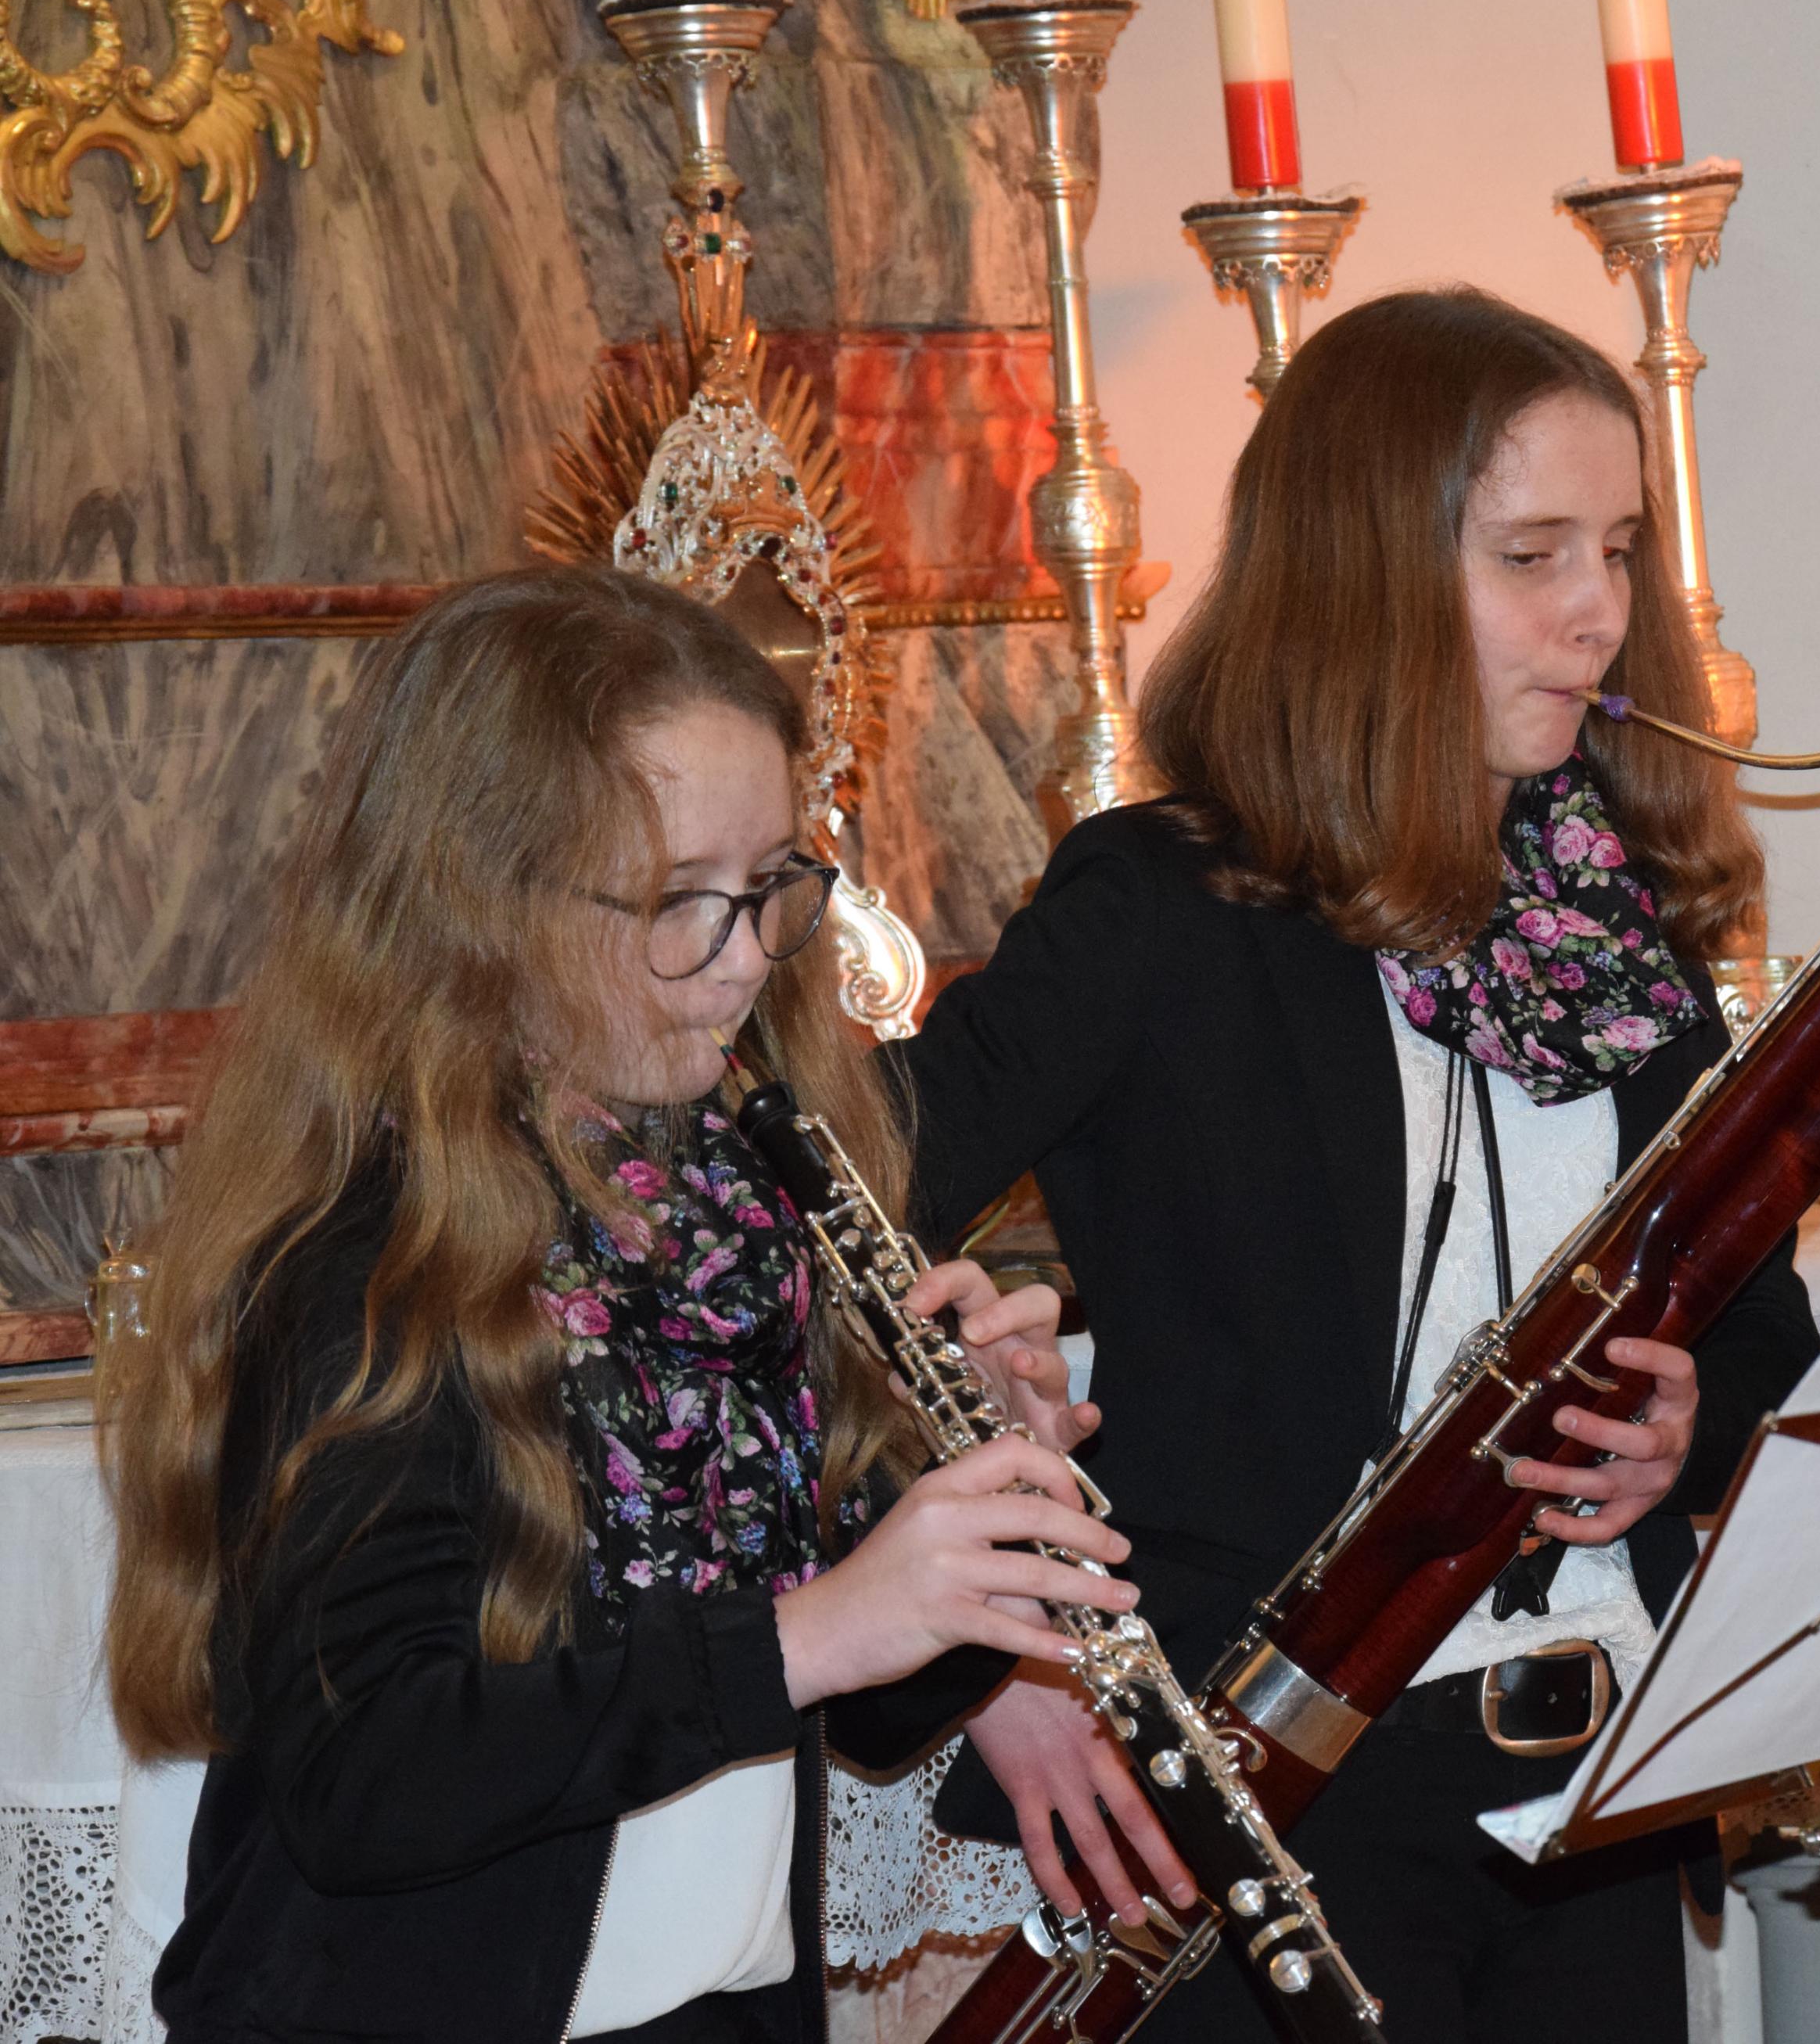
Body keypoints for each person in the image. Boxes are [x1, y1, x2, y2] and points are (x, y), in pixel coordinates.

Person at [889, 286, 1820, 2042]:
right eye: (1531, 554)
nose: (1599, 611)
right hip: (1270, 1801)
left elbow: (1761, 1318)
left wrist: (1686, 1421)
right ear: (1359, 573)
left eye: (1618, 549)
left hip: (1590, 1788)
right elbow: (802, 1249)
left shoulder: (1609, 921)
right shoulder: (1164, 905)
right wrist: (987, 1655)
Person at [101, 567, 1155, 2042]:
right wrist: (806, 1634)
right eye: (677, 902)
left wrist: (981, 1505)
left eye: (770, 885)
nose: (746, 958)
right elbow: (368, 1776)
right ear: (481, 906)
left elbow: (868, 1711)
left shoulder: (738, 1216)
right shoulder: (368, 1254)